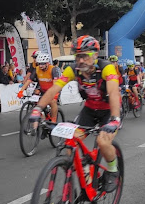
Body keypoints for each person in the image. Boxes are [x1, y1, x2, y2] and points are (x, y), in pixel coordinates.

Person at [33, 36, 121, 192]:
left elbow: (114, 92)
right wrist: (37, 109)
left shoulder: (106, 68)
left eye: (85, 56)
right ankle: (84, 176)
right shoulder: (73, 69)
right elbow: (54, 89)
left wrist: (115, 119)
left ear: (95, 55)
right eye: (77, 56)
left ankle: (113, 170)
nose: (80, 60)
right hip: (89, 109)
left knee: (102, 142)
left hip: (108, 111)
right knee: (70, 141)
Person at [18, 52, 61, 124]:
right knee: (37, 97)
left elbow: (55, 84)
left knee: (52, 102)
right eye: (39, 63)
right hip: (43, 89)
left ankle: (53, 120)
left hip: (53, 89)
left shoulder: (53, 69)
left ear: (47, 63)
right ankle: (42, 115)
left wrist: (55, 94)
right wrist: (21, 91)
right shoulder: (37, 69)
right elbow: (29, 80)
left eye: (42, 64)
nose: (40, 65)